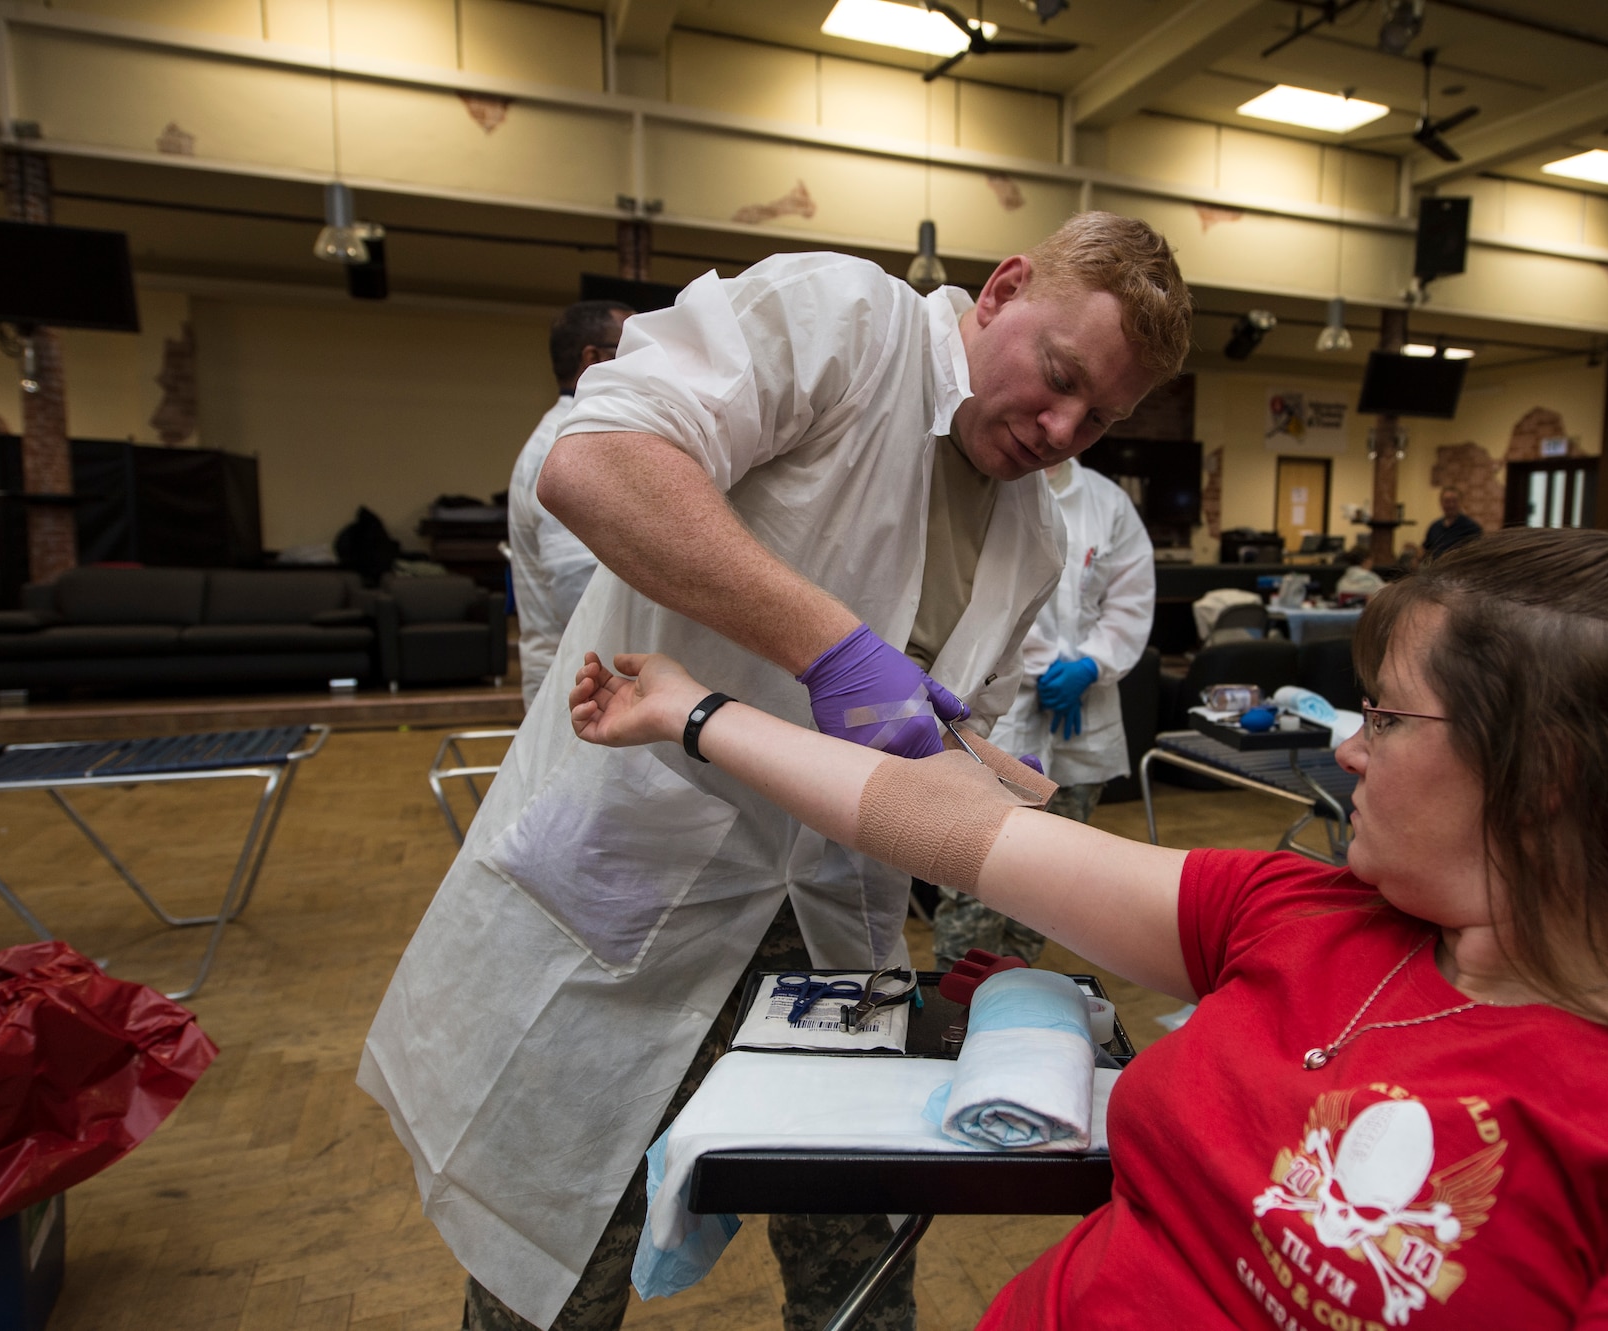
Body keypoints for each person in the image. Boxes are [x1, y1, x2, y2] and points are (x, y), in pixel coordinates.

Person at [570, 527, 1608, 1330]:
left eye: (1388, 717)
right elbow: (948, 824)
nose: (1344, 750)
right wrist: (693, 711)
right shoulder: (1315, 914)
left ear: (1547, 777)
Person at [357, 213, 1193, 1331]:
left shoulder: (1033, 537)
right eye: (1057, 380)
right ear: (999, 291)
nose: (1062, 428)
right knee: (557, 1254)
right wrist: (831, 647)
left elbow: (939, 737)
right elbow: (593, 460)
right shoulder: (842, 322)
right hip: (638, 872)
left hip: (835, 917)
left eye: (1101, 417)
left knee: (857, 1252)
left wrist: (985, 837)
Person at [933, 455, 1154, 967]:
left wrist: (1091, 666)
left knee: (1053, 878)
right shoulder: (975, 485)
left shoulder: (1108, 502)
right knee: (975, 873)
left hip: (1085, 713)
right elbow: (975, 601)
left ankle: (1016, 992)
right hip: (995, 713)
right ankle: (955, 1004)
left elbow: (1131, 600)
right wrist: (1047, 664)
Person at [507, 300, 631, 709]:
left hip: (593, 676)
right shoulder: (568, 444)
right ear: (593, 358)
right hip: (581, 680)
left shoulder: (585, 434)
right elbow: (578, 587)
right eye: (632, 347)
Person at [1420, 485, 1483, 560]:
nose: (1451, 505)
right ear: (1441, 503)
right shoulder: (1434, 527)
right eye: (1447, 501)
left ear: (1461, 502)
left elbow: (1476, 556)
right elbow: (1425, 550)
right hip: (1435, 570)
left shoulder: (1472, 528)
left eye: (1454, 501)